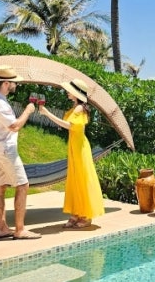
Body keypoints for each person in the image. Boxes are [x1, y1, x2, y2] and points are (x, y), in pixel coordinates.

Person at [0, 65, 41, 240]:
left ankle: (2, 228)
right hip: (5, 150)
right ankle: (20, 230)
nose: (16, 85)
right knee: (22, 185)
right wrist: (28, 111)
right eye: (14, 82)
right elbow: (14, 126)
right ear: (7, 83)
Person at [39, 78, 105, 228]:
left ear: (76, 93)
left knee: (81, 179)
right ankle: (76, 213)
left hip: (80, 148)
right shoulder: (75, 107)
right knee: (75, 180)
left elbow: (68, 125)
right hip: (75, 146)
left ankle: (86, 216)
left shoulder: (79, 109)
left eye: (69, 90)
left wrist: (47, 113)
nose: (67, 92)